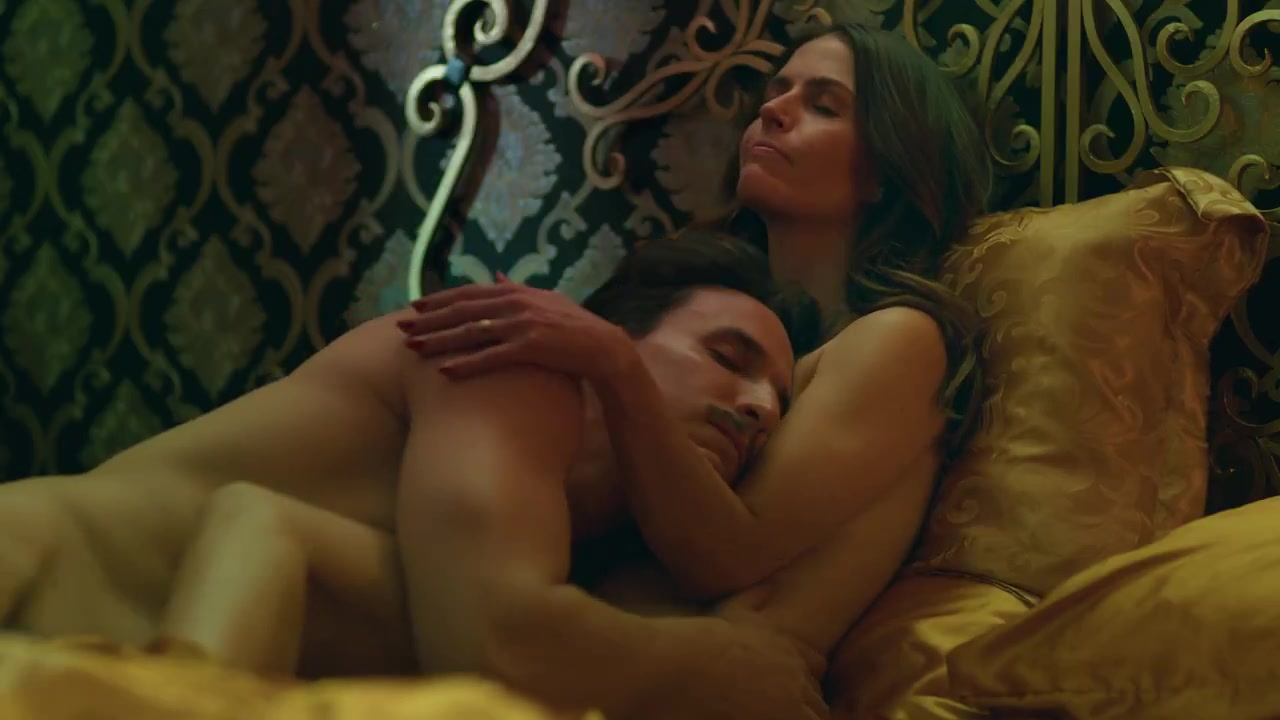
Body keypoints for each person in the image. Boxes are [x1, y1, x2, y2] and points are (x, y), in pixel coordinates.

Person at [0, 232, 827, 720]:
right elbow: (500, 642)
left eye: (779, 402)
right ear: (606, 336)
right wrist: (719, 663)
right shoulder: (517, 357)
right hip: (30, 563)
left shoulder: (578, 541)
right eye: (728, 358)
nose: (759, 409)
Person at [397, 20, 993, 672]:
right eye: (777, 91)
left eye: (823, 105)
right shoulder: (734, 319)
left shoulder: (899, 335)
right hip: (612, 649)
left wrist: (614, 363)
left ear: (885, 170)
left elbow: (728, 552)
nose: (774, 110)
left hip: (718, 680)